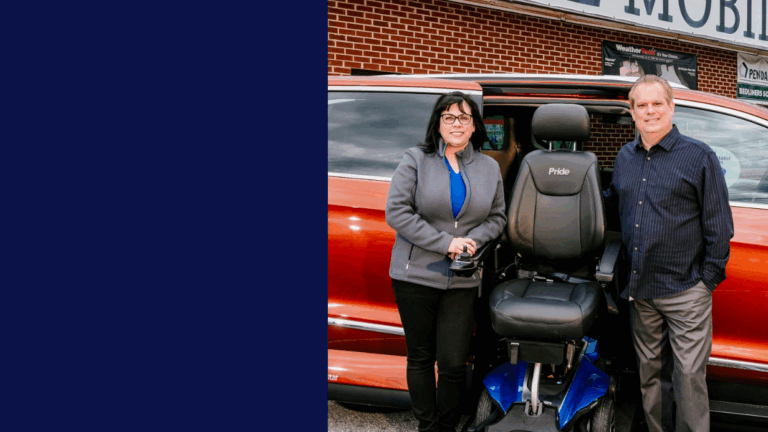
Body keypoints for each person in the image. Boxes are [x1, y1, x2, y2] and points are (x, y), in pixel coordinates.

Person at [605, 75, 734, 432]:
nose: (650, 112)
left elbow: (720, 227)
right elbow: (616, 211)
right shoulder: (624, 157)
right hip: (641, 290)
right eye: (641, 105)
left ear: (671, 107)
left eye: (657, 104)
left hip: (686, 291)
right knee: (651, 379)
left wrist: (705, 282)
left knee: (689, 379)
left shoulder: (699, 157)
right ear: (632, 112)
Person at [385, 91, 507, 432]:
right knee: (421, 357)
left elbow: (498, 218)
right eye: (449, 117)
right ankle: (427, 427)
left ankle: (447, 425)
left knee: (454, 363)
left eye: (464, 117)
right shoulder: (415, 160)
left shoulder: (489, 167)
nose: (457, 124)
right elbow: (396, 211)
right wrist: (446, 243)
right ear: (438, 124)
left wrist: (471, 243)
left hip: (462, 278)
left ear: (474, 126)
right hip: (415, 274)